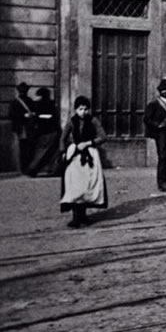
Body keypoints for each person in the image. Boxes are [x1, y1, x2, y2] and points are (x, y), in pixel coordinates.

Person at [59, 96, 107, 227]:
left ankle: (83, 215)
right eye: (80, 109)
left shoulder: (93, 121)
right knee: (74, 184)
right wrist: (63, 152)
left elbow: (103, 136)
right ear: (75, 109)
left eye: (86, 109)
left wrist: (88, 143)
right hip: (74, 155)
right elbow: (63, 138)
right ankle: (75, 216)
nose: (83, 112)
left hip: (90, 154)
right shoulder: (71, 122)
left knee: (87, 184)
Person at [143, 79, 166, 192]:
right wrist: (158, 125)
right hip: (160, 134)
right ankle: (161, 182)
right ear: (159, 91)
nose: (165, 91)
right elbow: (147, 119)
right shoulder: (154, 104)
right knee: (163, 156)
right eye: (163, 89)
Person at [27, 87, 61, 177]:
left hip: (42, 132)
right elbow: (55, 118)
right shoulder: (51, 105)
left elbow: (36, 118)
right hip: (50, 131)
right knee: (46, 152)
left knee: (41, 152)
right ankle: (38, 168)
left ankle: (33, 168)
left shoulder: (38, 105)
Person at [9, 81, 37, 174]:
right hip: (23, 128)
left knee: (27, 148)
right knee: (25, 149)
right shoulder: (17, 102)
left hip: (28, 128)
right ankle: (25, 167)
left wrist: (32, 114)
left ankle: (27, 167)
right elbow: (12, 115)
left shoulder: (25, 101)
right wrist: (24, 115)